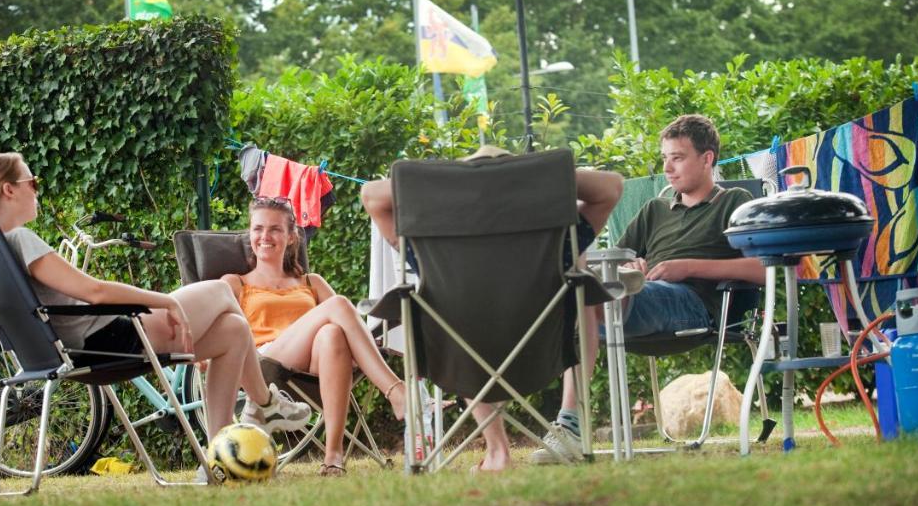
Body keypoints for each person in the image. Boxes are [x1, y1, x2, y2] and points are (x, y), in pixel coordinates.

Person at [0, 153, 312, 458]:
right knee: (222, 293)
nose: (36, 189)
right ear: (9, 189)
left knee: (234, 332)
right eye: (32, 181)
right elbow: (94, 291)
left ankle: (218, 454)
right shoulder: (21, 239)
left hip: (85, 349)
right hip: (112, 340)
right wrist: (163, 300)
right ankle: (264, 403)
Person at [360, 146, 624, 471]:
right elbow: (612, 186)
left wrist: (457, 172)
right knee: (580, 280)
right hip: (542, 351)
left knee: (451, 317)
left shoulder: (426, 242)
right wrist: (536, 173)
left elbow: (371, 195)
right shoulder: (557, 236)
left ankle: (498, 451)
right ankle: (570, 418)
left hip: (462, 359)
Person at [532, 114, 767, 463]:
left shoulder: (735, 203)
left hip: (695, 304)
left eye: (678, 157)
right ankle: (570, 425)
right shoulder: (654, 210)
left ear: (708, 158)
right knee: (581, 291)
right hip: (643, 297)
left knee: (589, 297)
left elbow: (765, 270)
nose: (668, 169)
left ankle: (569, 427)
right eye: (665, 159)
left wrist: (688, 267)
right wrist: (630, 266)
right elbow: (618, 258)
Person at [221, 196, 411, 476]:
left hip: (315, 368)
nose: (265, 236)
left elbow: (346, 326)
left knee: (333, 332)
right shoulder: (235, 283)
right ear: (249, 233)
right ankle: (396, 391)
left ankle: (333, 455)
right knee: (338, 305)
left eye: (275, 229)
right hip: (265, 366)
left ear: (291, 236)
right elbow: (222, 333)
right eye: (258, 228)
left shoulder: (312, 282)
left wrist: (360, 348)